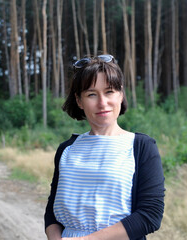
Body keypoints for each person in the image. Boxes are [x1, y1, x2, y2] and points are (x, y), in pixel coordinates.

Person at [44, 55, 165, 240]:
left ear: (121, 94)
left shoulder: (141, 147)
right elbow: (53, 209)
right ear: (79, 101)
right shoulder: (67, 149)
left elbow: (150, 216)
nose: (102, 103)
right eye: (91, 94)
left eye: (109, 92)